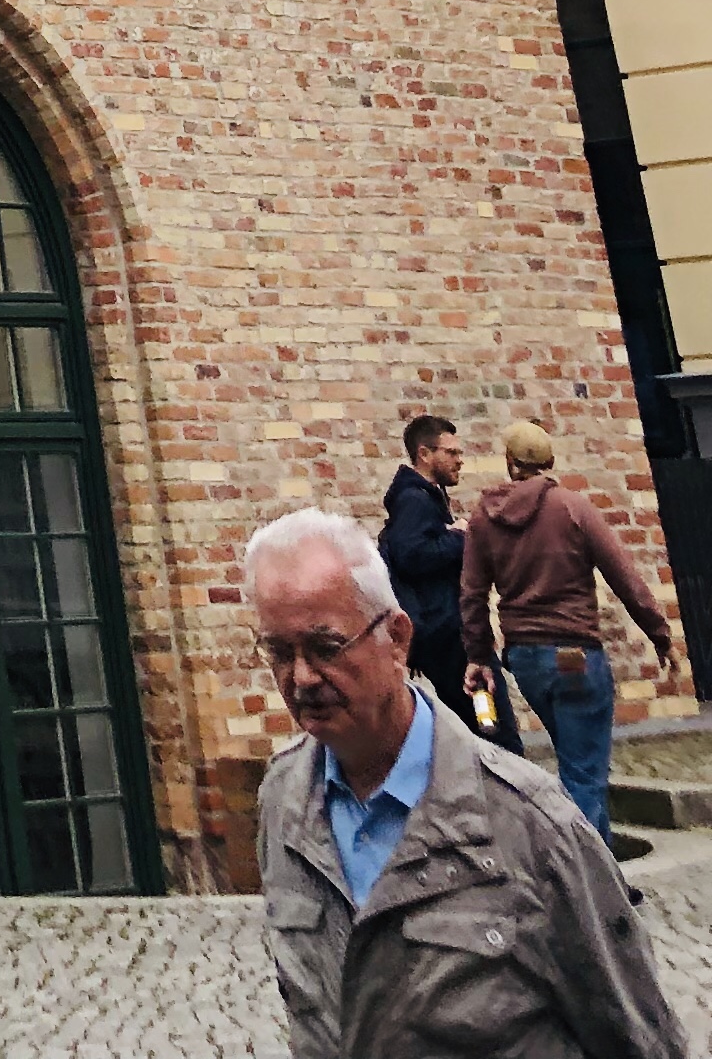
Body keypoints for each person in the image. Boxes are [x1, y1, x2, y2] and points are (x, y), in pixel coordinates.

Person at [248, 504, 681, 1057]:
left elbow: (638, 1037)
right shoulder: (283, 798)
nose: (302, 677)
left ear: (397, 638)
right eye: (279, 652)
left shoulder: (532, 823)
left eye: (325, 647)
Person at [462, 416, 677, 849]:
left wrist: (479, 656)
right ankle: (585, 875)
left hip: (525, 659)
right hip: (575, 655)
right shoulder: (573, 508)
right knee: (584, 774)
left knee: (578, 764)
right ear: (550, 461)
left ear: (510, 463)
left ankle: (601, 869)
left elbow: (471, 594)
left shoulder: (484, 519)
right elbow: (625, 578)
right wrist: (660, 634)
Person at [379, 410, 521, 750]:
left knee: (479, 728)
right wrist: (460, 536)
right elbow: (412, 555)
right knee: (493, 729)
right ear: (425, 454)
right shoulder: (414, 499)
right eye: (451, 452)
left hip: (447, 634)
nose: (460, 460)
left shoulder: (425, 496)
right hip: (448, 637)